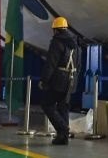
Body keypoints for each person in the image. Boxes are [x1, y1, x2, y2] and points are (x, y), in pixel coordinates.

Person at [41, 16, 78, 146]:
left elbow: (51, 63)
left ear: (56, 30)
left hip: (59, 80)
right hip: (71, 79)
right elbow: (79, 64)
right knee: (63, 106)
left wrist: (44, 80)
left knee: (47, 104)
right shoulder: (76, 43)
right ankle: (63, 137)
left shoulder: (57, 42)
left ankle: (63, 129)